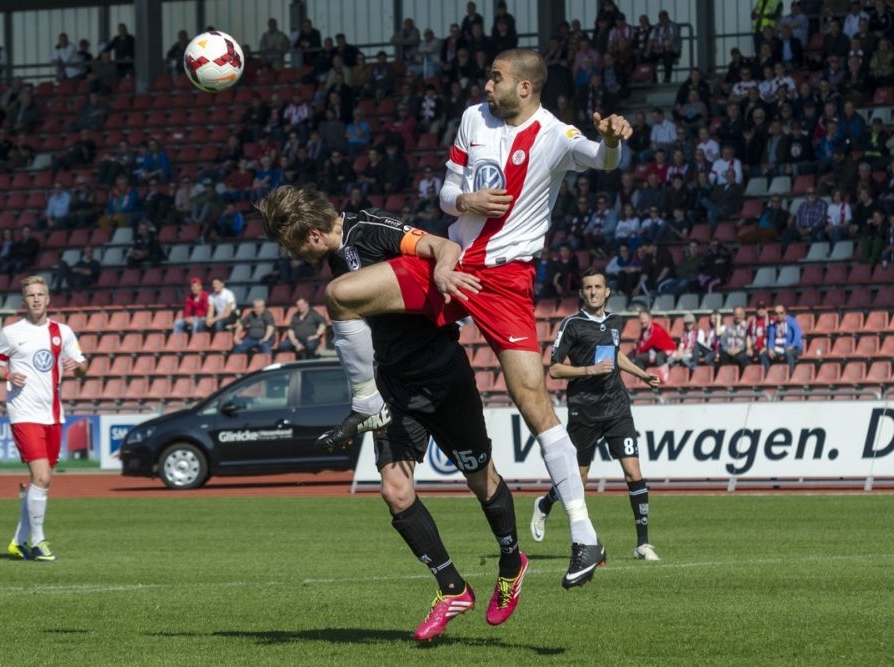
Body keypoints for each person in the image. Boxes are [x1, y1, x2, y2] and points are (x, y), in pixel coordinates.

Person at [262, 49, 631, 587]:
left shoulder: (554, 134)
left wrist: (615, 138)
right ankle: (369, 404)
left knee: (533, 401)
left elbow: (603, 159)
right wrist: (468, 200)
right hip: (452, 264)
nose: (487, 84)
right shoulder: (472, 119)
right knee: (342, 292)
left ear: (525, 87)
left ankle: (584, 535)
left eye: (496, 77)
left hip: (505, 279)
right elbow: (447, 192)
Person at [256, 187, 528, 641]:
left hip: (442, 376)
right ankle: (452, 588)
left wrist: (443, 271)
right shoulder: (336, 260)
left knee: (482, 480)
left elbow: (444, 246)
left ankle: (510, 560)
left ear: (313, 233)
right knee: (395, 492)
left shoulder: (370, 228)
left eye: (292, 244)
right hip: (395, 386)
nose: (293, 253)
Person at [531, 269, 661, 561]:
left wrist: (642, 374)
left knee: (633, 472)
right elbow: (554, 368)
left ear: (607, 291)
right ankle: (545, 504)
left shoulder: (615, 321)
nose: (593, 292)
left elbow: (614, 355)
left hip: (616, 406)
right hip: (585, 409)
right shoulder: (572, 324)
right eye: (587, 287)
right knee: (579, 479)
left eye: (598, 287)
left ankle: (643, 544)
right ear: (581, 293)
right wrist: (589, 370)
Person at [0, 275, 88, 562]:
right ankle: (39, 542)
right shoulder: (11, 332)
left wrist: (77, 367)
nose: (35, 299)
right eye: (30, 295)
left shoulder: (62, 332)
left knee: (39, 480)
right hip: (23, 412)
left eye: (40, 295)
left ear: (48, 299)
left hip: (53, 414)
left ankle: (18, 541)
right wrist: (8, 374)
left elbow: (82, 366)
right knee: (43, 476)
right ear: (24, 300)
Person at [760, 303, 803, 374]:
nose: (779, 315)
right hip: (779, 348)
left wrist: (792, 345)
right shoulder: (773, 325)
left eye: (781, 313)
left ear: (785, 313)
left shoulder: (792, 321)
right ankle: (766, 376)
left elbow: (798, 335)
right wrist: (770, 348)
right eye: (777, 313)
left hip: (794, 348)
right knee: (764, 354)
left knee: (788, 352)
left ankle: (791, 375)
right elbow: (771, 338)